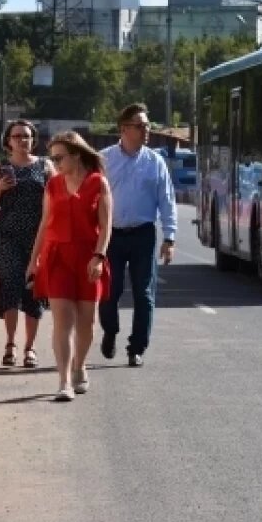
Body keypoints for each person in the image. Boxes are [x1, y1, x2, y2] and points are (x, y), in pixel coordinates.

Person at [28, 131, 112, 401]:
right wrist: (33, 260)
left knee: (87, 322)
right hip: (57, 257)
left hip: (88, 257)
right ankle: (63, 381)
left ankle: (79, 365)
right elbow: (44, 224)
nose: (55, 162)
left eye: (59, 157)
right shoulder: (52, 185)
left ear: (76, 155)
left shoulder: (98, 183)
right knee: (62, 320)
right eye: (52, 158)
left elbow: (106, 225)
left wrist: (99, 256)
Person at [98, 103, 176, 368]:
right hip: (112, 235)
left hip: (143, 234)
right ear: (124, 129)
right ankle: (110, 331)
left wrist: (170, 237)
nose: (146, 131)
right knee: (110, 290)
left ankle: (137, 347)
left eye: (148, 126)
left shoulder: (155, 162)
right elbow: (92, 199)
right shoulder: (104, 160)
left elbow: (167, 200)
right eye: (140, 126)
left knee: (144, 293)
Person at [0, 119, 53, 369]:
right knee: (10, 282)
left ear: (33, 140)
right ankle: (10, 343)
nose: (22, 140)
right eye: (17, 136)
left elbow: (57, 199)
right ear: (8, 141)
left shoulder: (45, 166)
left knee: (33, 287)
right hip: (6, 235)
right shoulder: (0, 166)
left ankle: (30, 347)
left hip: (38, 235)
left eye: (26, 136)